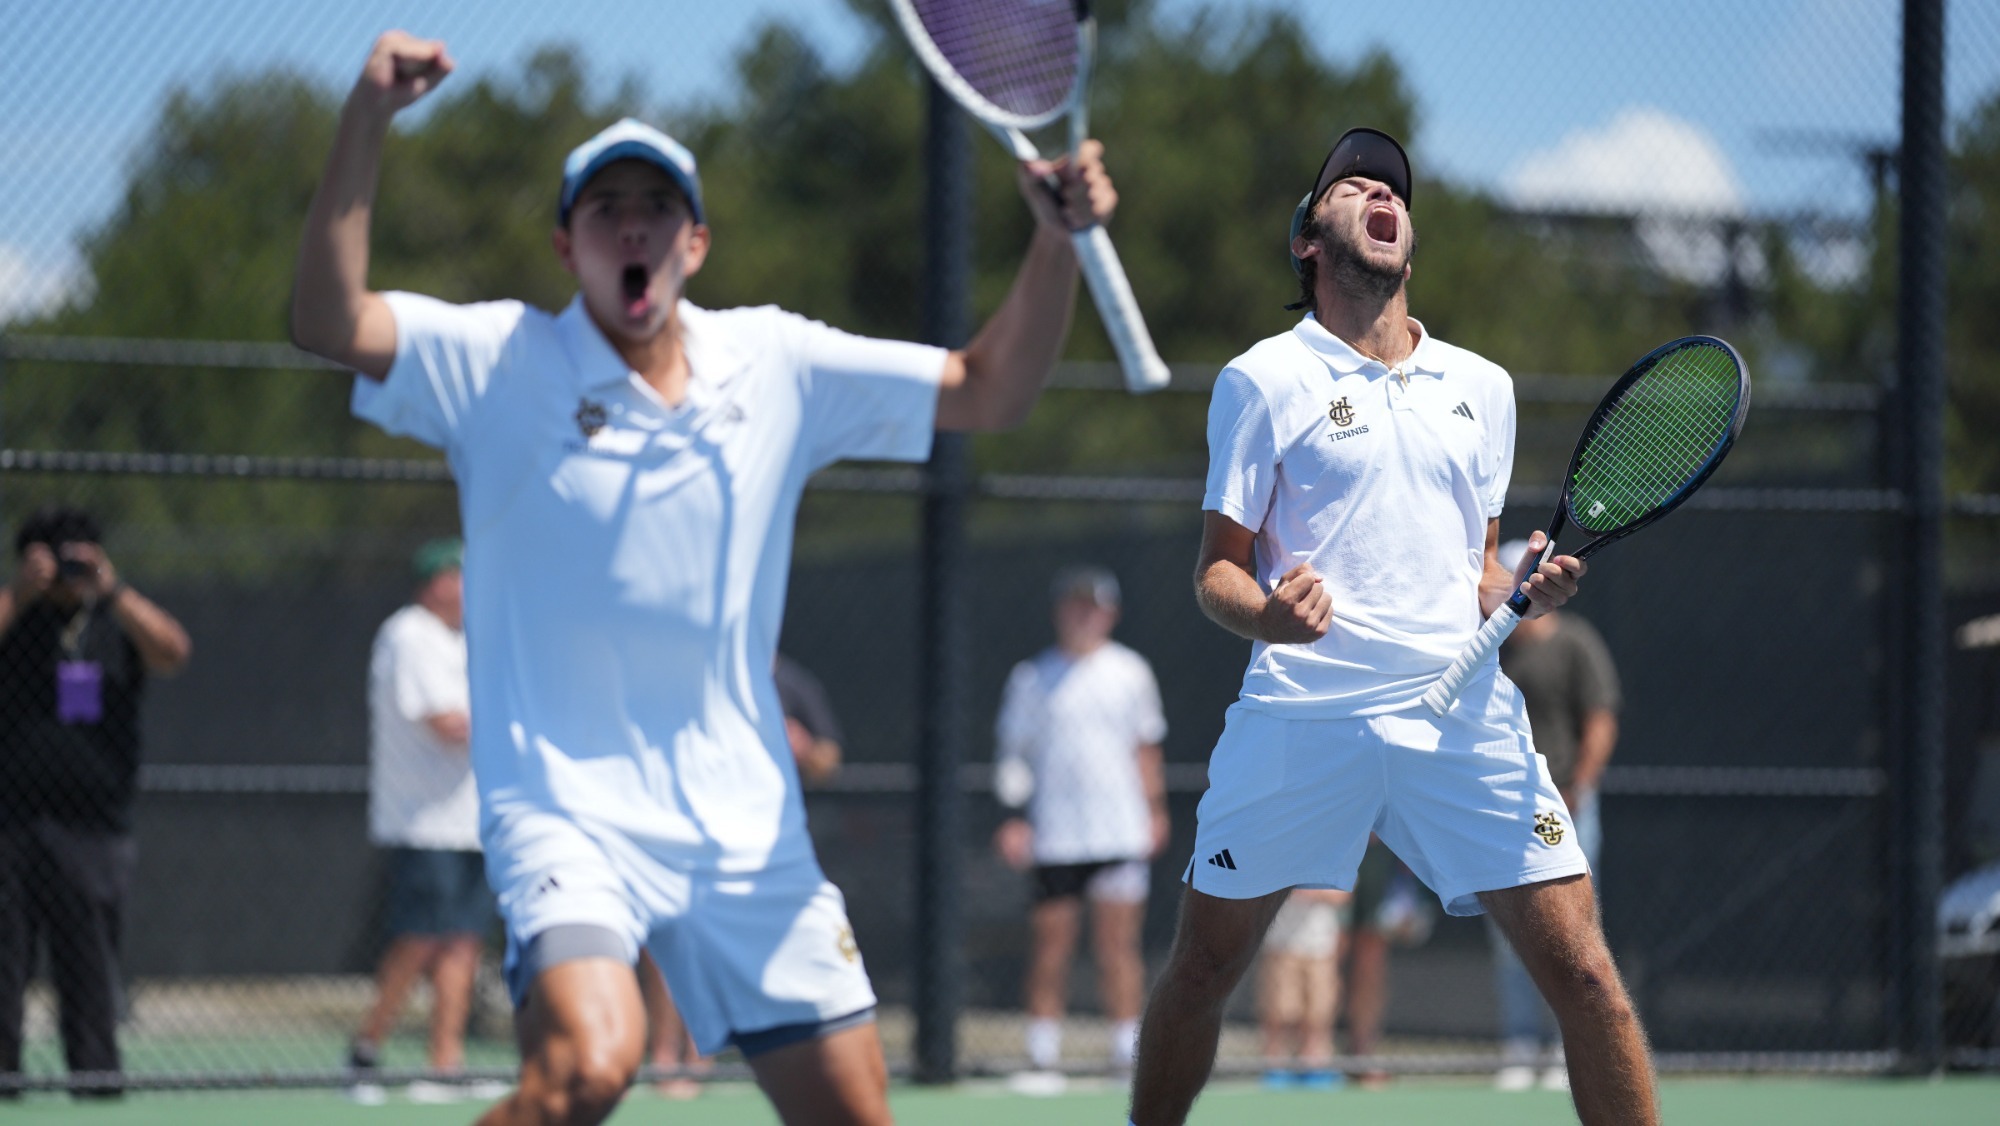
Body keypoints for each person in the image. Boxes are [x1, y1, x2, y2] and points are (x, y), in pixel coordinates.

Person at [290, 30, 1120, 1126]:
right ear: (565, 243)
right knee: (585, 1070)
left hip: (744, 827)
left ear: (695, 241)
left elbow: (987, 387)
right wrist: (365, 119)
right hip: (565, 815)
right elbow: (326, 320)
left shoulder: (774, 364)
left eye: (656, 209)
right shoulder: (497, 363)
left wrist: (1052, 244)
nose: (631, 226)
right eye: (605, 210)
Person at [1126, 127, 1659, 1126]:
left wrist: (1519, 591)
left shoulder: (1483, 389)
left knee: (1585, 972)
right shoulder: (1261, 379)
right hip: (1302, 711)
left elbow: (1477, 572)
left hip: (1459, 717)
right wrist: (1272, 618)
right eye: (1351, 183)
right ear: (1306, 239)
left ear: (1406, 236)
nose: (1379, 190)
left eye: (1393, 187)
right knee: (1200, 968)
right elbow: (1215, 574)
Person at [0, 504, 191, 1096]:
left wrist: (114, 592)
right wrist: (21, 593)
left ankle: (95, 1077)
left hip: (93, 825)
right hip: (9, 821)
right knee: (3, 960)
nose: (68, 567)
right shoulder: (17, 613)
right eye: (57, 556)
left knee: (89, 960)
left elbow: (174, 652)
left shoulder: (115, 617)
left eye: (81, 553)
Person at [991, 566, 1168, 1085]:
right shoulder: (1031, 678)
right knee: (1051, 946)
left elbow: (1146, 749)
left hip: (1119, 833)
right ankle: (1042, 1056)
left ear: (1110, 613)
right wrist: (1013, 819)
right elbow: (1012, 757)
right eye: (1074, 605)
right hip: (1055, 837)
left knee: (1119, 948)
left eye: (1093, 606)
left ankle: (1125, 1055)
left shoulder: (1132, 672)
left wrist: (1154, 812)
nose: (1083, 615)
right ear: (1058, 611)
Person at [347, 539, 500, 1104]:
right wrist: (513, 718)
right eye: (454, 575)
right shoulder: (408, 633)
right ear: (430, 583)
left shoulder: (465, 642)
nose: (463, 586)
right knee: (419, 941)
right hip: (421, 822)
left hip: (469, 823)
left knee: (462, 943)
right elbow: (447, 724)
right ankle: (363, 1054)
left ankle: (444, 1065)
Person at [1488, 538, 1621, 1092]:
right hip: (1502, 808)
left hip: (1565, 809)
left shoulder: (1576, 644)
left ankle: (1573, 1050)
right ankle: (1521, 1046)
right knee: (1510, 932)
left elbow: (1600, 718)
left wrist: (1579, 788)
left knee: (1572, 932)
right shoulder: (1490, 646)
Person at [1254, 887, 1347, 1090]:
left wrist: (1308, 891)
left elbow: (1342, 895)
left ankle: (1314, 1066)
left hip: (1321, 948)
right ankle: (1275, 1067)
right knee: (1278, 1012)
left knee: (1319, 1013)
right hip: (1281, 945)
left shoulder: (1331, 857)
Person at [776, 654, 845, 786]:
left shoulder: (795, 683)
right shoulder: (726, 682)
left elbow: (830, 760)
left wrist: (804, 748)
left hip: (785, 795)